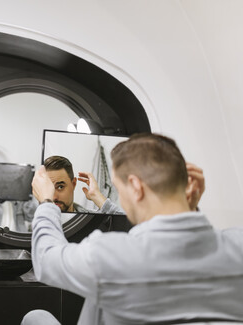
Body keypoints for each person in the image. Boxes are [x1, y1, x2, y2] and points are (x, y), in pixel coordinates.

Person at [22, 133, 243, 324]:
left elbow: (46, 259)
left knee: (36, 317)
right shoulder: (237, 245)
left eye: (120, 190)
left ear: (136, 187)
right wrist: (189, 208)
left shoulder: (110, 255)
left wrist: (47, 204)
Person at [43, 155, 123, 214]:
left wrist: (96, 196)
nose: (54, 197)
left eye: (60, 187)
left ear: (73, 184)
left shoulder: (92, 220)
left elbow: (126, 226)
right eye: (48, 188)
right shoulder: (35, 223)